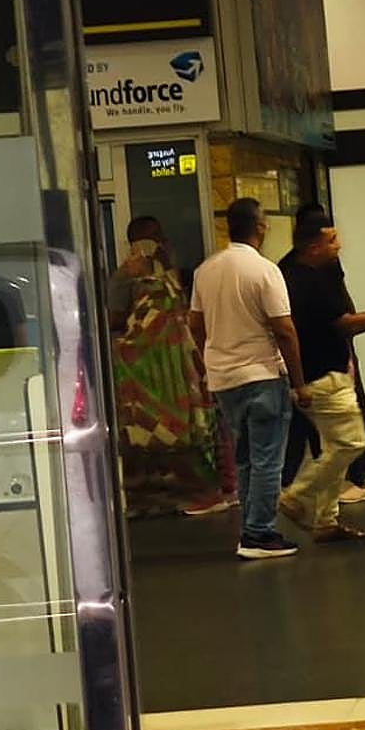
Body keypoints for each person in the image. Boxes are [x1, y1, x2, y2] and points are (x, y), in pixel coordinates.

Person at [190, 198, 309, 560]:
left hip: (224, 379)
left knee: (244, 457)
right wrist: (299, 383)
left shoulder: (206, 270)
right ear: (260, 227)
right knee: (268, 458)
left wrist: (211, 355)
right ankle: (259, 534)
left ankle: (248, 528)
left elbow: (194, 324)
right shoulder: (265, 271)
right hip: (261, 373)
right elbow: (284, 330)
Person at [278, 216, 365, 542]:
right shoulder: (312, 283)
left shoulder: (287, 274)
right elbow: (347, 324)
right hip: (324, 376)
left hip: (308, 375)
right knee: (351, 443)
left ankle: (325, 521)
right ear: (313, 245)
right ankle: (297, 494)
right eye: (332, 240)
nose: (339, 245)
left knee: (334, 447)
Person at [110, 216, 236, 518]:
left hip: (142, 377)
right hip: (177, 370)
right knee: (186, 432)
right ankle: (209, 490)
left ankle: (150, 497)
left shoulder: (127, 279)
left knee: (146, 435)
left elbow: (115, 320)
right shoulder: (175, 278)